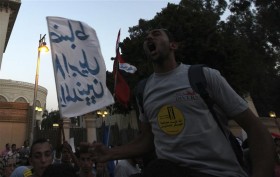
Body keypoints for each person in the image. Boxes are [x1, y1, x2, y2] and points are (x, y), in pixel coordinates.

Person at [91, 28, 275, 177]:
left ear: (173, 45)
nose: (149, 38)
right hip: (167, 171)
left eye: (155, 34)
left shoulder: (203, 76)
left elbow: (256, 128)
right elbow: (147, 140)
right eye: (146, 38)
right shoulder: (143, 90)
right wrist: (111, 153)